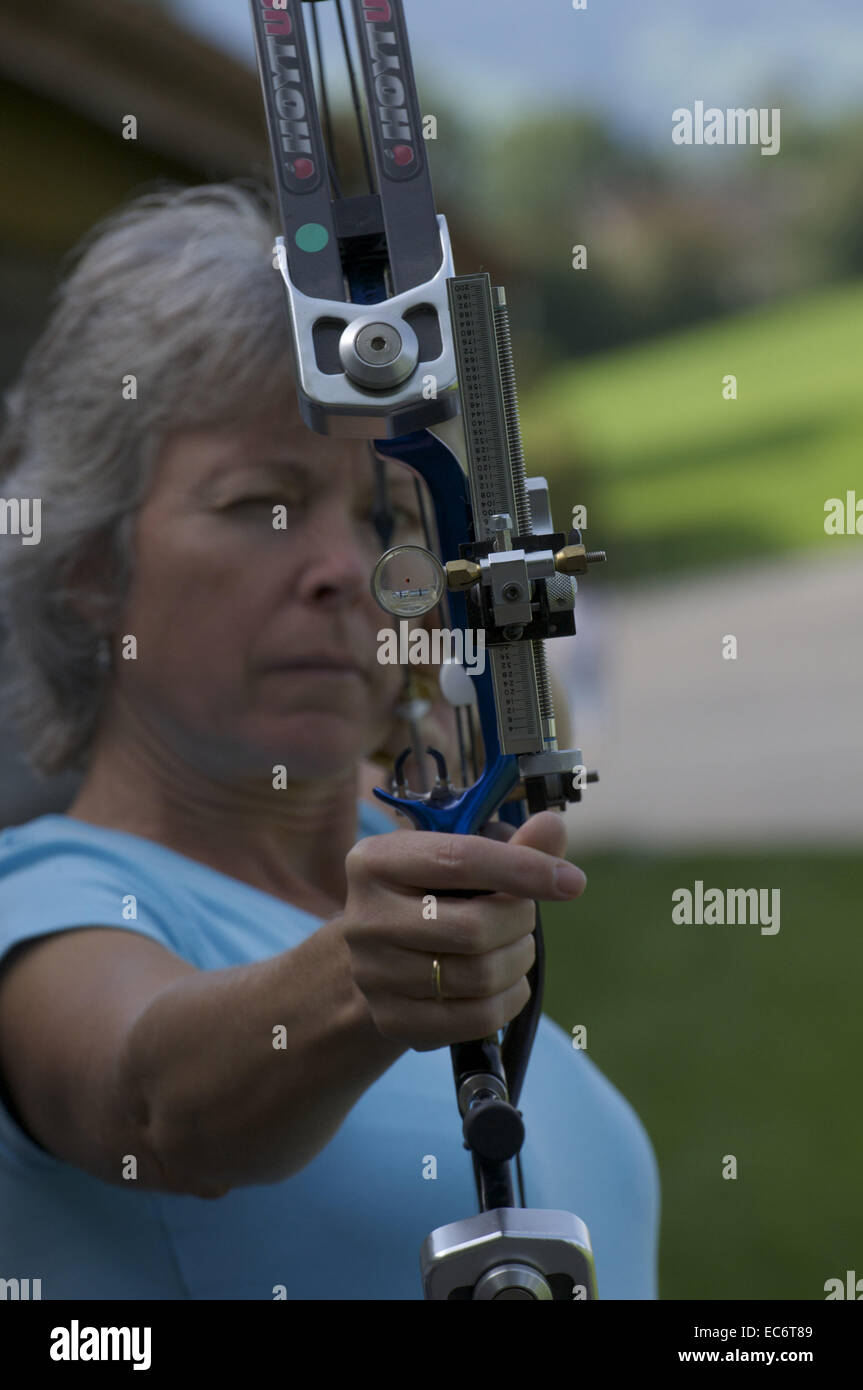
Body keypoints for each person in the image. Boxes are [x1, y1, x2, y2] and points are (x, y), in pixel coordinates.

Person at [0, 183, 660, 1300]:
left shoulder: (391, 831)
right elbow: (155, 1103)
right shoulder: (46, 905)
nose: (346, 573)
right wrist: (360, 985)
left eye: (381, 519)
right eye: (263, 505)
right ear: (88, 576)